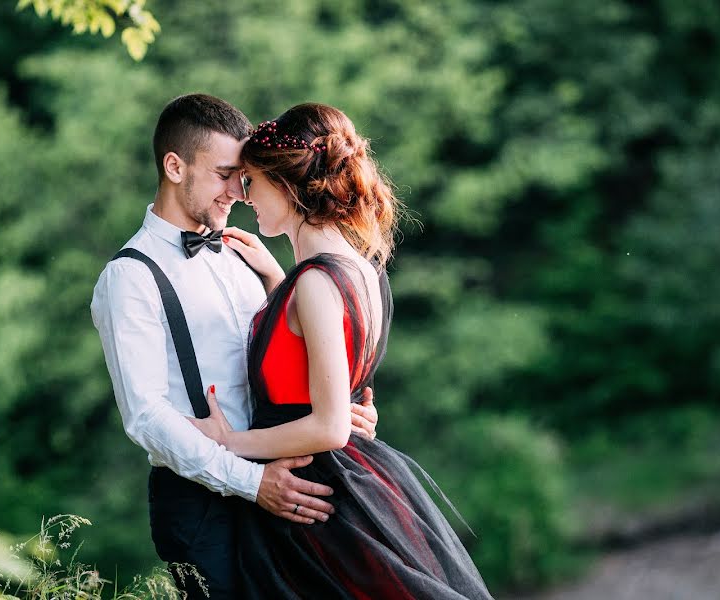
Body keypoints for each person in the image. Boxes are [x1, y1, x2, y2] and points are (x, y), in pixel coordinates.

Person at [188, 103, 494, 599]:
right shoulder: (361, 269)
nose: (245, 198)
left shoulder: (315, 283)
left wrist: (229, 441)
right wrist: (274, 280)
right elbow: (309, 362)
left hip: (316, 498)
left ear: (286, 185)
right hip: (352, 478)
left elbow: (329, 425)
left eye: (251, 182)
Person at [90, 94, 379, 598]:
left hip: (287, 485)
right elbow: (146, 417)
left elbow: (287, 357)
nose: (238, 193)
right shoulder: (129, 278)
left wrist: (343, 409)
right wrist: (251, 482)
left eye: (244, 178)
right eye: (225, 174)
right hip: (205, 504)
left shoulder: (246, 259)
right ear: (175, 167)